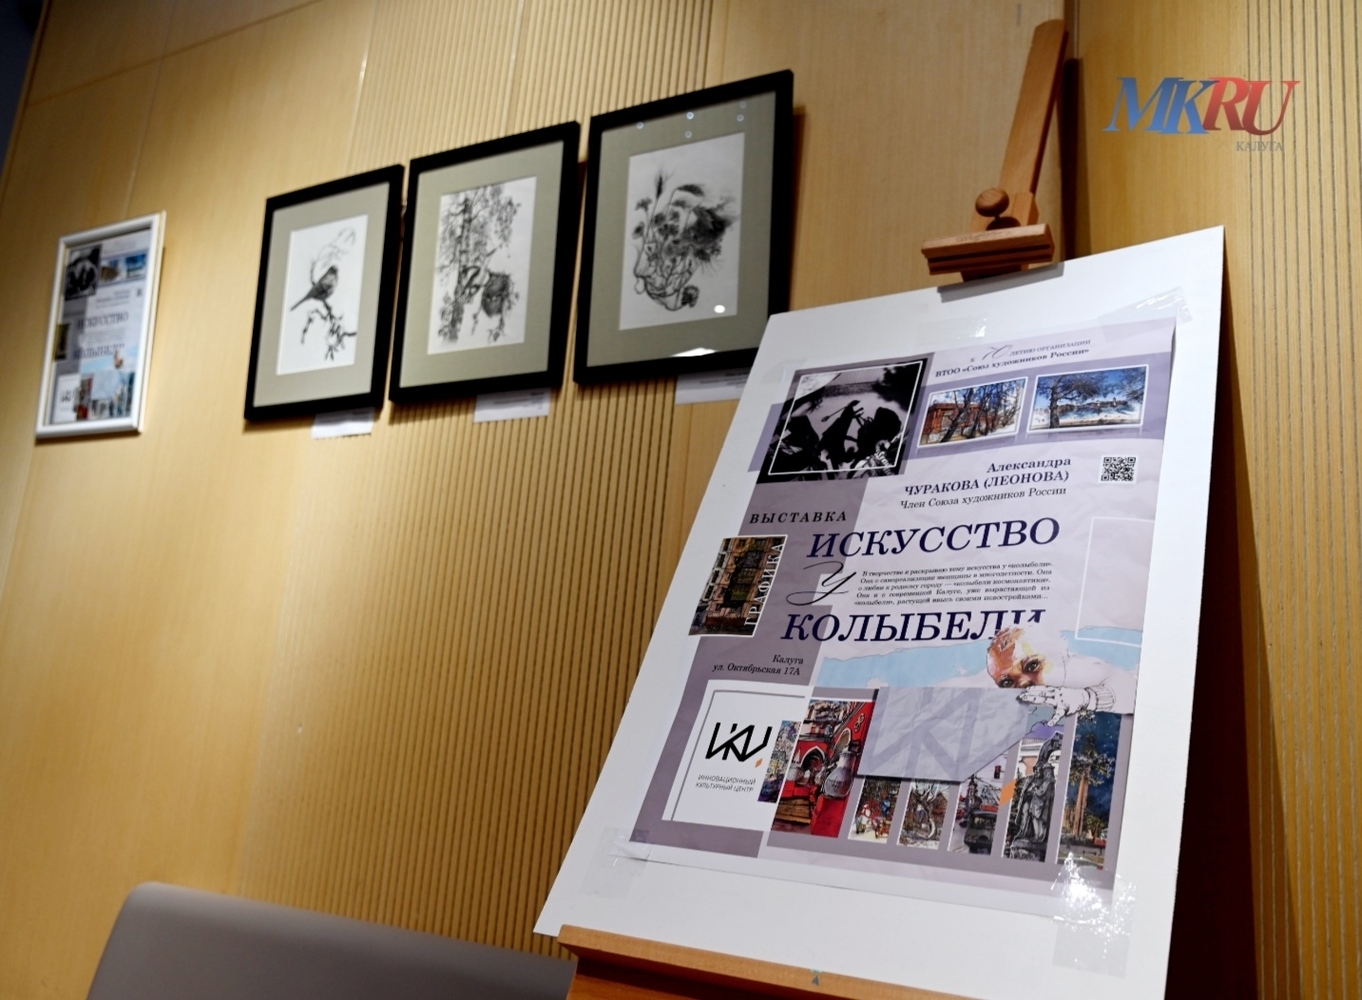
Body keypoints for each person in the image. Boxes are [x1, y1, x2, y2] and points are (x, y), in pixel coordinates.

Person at [985, 626, 1135, 723]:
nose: (1023, 683)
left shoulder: (1084, 669)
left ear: (1061, 652)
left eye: (1032, 666)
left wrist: (1086, 698)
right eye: (1007, 682)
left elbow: (1129, 690)